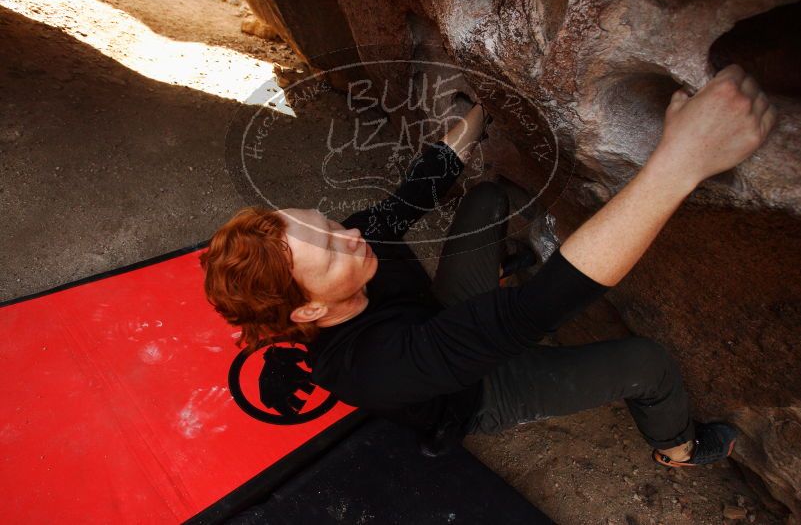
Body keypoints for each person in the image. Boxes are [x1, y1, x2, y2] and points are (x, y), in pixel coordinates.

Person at [201, 64, 776, 467]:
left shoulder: (354, 244)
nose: (352, 234)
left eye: (329, 223)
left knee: (485, 200)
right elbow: (539, 307)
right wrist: (681, 161)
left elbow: (412, 196)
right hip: (477, 394)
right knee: (646, 363)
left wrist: (476, 119)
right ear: (308, 309)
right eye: (331, 250)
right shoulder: (369, 369)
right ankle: (677, 449)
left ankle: (495, 283)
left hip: (439, 324)